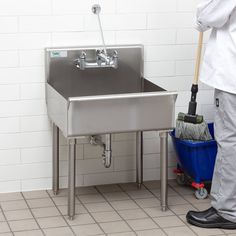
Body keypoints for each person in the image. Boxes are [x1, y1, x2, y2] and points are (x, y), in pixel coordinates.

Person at [186, 0, 236, 229]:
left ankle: (227, 211)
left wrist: (201, 15)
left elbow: (207, 16)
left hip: (232, 79)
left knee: (230, 142)